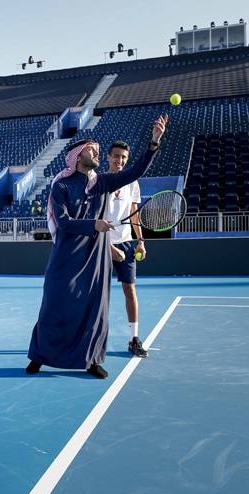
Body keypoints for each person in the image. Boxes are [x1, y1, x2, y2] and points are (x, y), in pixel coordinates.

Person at [26, 115, 168, 378]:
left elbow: (135, 171)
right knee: (54, 305)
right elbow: (65, 222)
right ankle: (40, 356)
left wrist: (153, 143)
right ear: (77, 156)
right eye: (92, 150)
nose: (97, 154)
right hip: (65, 257)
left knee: (94, 310)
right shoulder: (61, 186)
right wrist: (94, 225)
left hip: (95, 257)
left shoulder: (102, 182)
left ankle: (91, 360)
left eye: (97, 150)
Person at [104, 141, 148, 358]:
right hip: (102, 245)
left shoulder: (132, 182)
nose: (119, 160)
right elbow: (95, 218)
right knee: (98, 294)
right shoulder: (100, 182)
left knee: (130, 291)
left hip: (127, 243)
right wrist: (109, 246)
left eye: (123, 157)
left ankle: (133, 339)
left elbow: (134, 213)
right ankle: (92, 339)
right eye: (116, 156)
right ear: (108, 157)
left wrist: (140, 240)